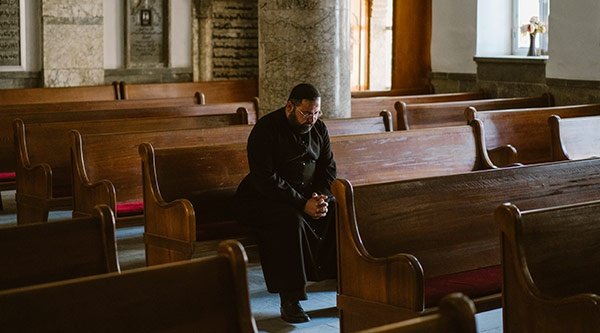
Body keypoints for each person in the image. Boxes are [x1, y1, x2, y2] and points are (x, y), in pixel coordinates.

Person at [233, 83, 337, 323]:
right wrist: (303, 204)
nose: (312, 119)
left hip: (304, 197)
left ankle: (337, 283)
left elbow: (328, 168)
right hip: (261, 199)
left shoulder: (319, 128)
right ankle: (291, 299)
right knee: (290, 222)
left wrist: (319, 197)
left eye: (316, 113)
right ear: (290, 106)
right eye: (307, 113)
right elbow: (265, 178)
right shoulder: (266, 129)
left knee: (335, 210)